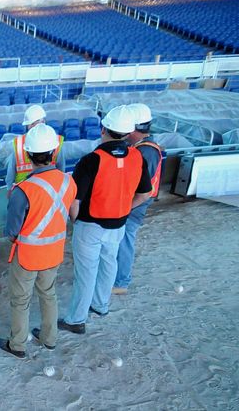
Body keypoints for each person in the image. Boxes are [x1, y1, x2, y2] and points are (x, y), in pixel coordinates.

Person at [59, 106, 152, 334]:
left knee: (86, 272)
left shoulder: (92, 160)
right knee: (109, 263)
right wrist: (124, 208)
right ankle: (101, 305)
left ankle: (76, 319)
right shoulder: (137, 156)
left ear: (103, 129)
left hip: (90, 225)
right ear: (129, 133)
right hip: (118, 223)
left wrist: (75, 221)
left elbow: (75, 200)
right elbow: (146, 193)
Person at [0, 124, 77, 358]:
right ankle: (49, 338)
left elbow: (12, 230)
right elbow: (71, 213)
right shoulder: (67, 181)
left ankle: (18, 344)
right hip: (54, 252)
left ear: (28, 155)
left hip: (28, 256)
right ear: (54, 153)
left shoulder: (23, 190)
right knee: (48, 294)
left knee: (21, 301)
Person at [113, 103, 163, 295]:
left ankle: (121, 282)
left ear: (135, 129)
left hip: (133, 206)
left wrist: (126, 207)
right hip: (131, 203)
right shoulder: (141, 148)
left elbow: (142, 188)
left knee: (124, 241)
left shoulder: (145, 152)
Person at [5, 105, 66, 190]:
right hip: (24, 189)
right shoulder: (19, 143)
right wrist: (9, 188)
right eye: (29, 124)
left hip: (48, 189)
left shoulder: (56, 141)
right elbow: (11, 172)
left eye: (34, 123)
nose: (30, 127)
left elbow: (61, 169)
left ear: (43, 121)